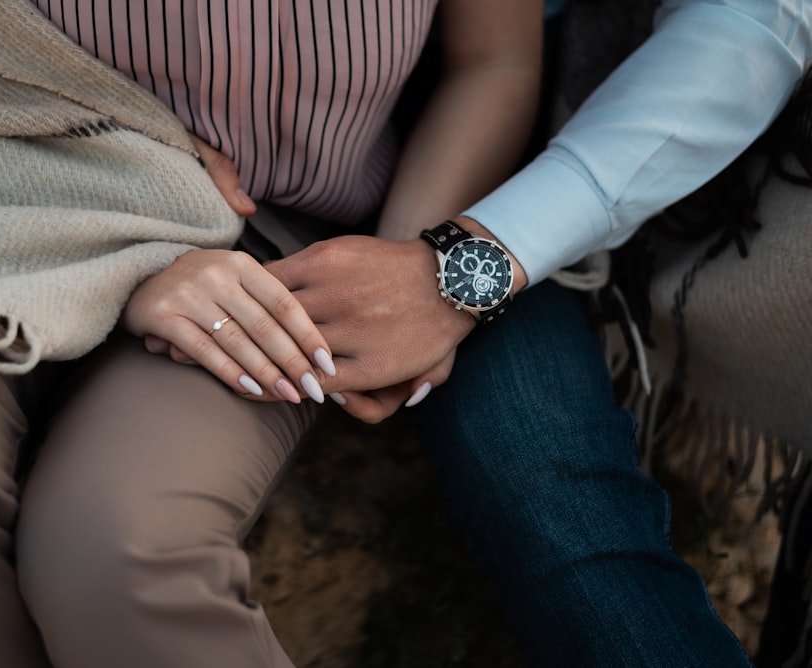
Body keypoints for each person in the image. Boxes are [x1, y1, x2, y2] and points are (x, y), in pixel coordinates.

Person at [0, 0, 542, 666]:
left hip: (281, 250)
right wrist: (146, 218)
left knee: (117, 550)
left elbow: (494, 61)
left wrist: (405, 276)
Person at [214, 0, 807, 665]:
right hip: (257, 120)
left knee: (551, 489)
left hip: (543, 106)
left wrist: (443, 275)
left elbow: (758, 24)